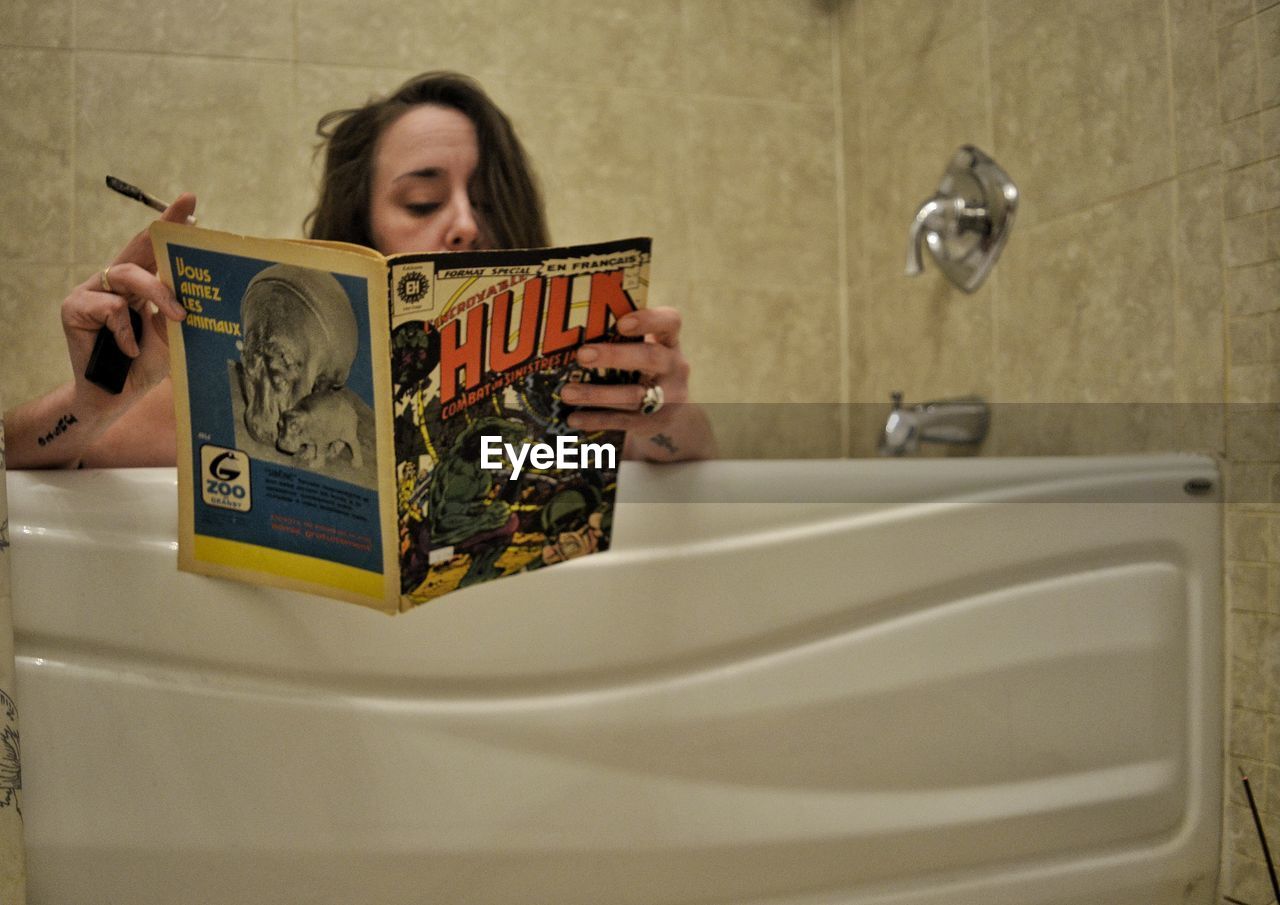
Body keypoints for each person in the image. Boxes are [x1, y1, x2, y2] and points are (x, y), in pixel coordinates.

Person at [4, 71, 715, 469]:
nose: (465, 222)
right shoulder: (261, 377)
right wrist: (94, 400)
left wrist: (665, 419)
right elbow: (19, 459)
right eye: (423, 199)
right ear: (361, 230)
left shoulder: (572, 387)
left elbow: (698, 467)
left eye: (487, 200)